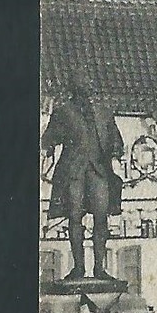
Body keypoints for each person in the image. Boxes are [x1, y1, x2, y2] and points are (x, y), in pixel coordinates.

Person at [41, 70, 124, 280]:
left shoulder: (104, 112)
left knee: (101, 218)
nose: (87, 86)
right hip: (73, 172)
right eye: (82, 83)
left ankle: (99, 268)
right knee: (74, 218)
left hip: (99, 171)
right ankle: (79, 268)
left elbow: (115, 139)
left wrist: (115, 154)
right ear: (74, 88)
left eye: (88, 82)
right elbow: (48, 137)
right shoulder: (63, 112)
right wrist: (48, 148)